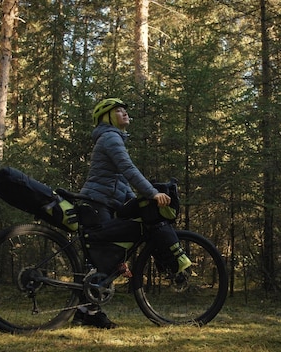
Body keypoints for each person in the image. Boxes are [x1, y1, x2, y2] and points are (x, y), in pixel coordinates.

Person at [71, 98, 191, 329]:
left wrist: (139, 200)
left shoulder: (112, 138)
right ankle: (89, 312)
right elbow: (128, 169)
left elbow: (122, 182)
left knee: (108, 258)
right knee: (106, 257)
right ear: (106, 117)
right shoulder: (110, 137)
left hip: (103, 204)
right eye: (118, 110)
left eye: (125, 110)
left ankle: (86, 312)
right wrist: (152, 193)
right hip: (96, 204)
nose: (124, 113)